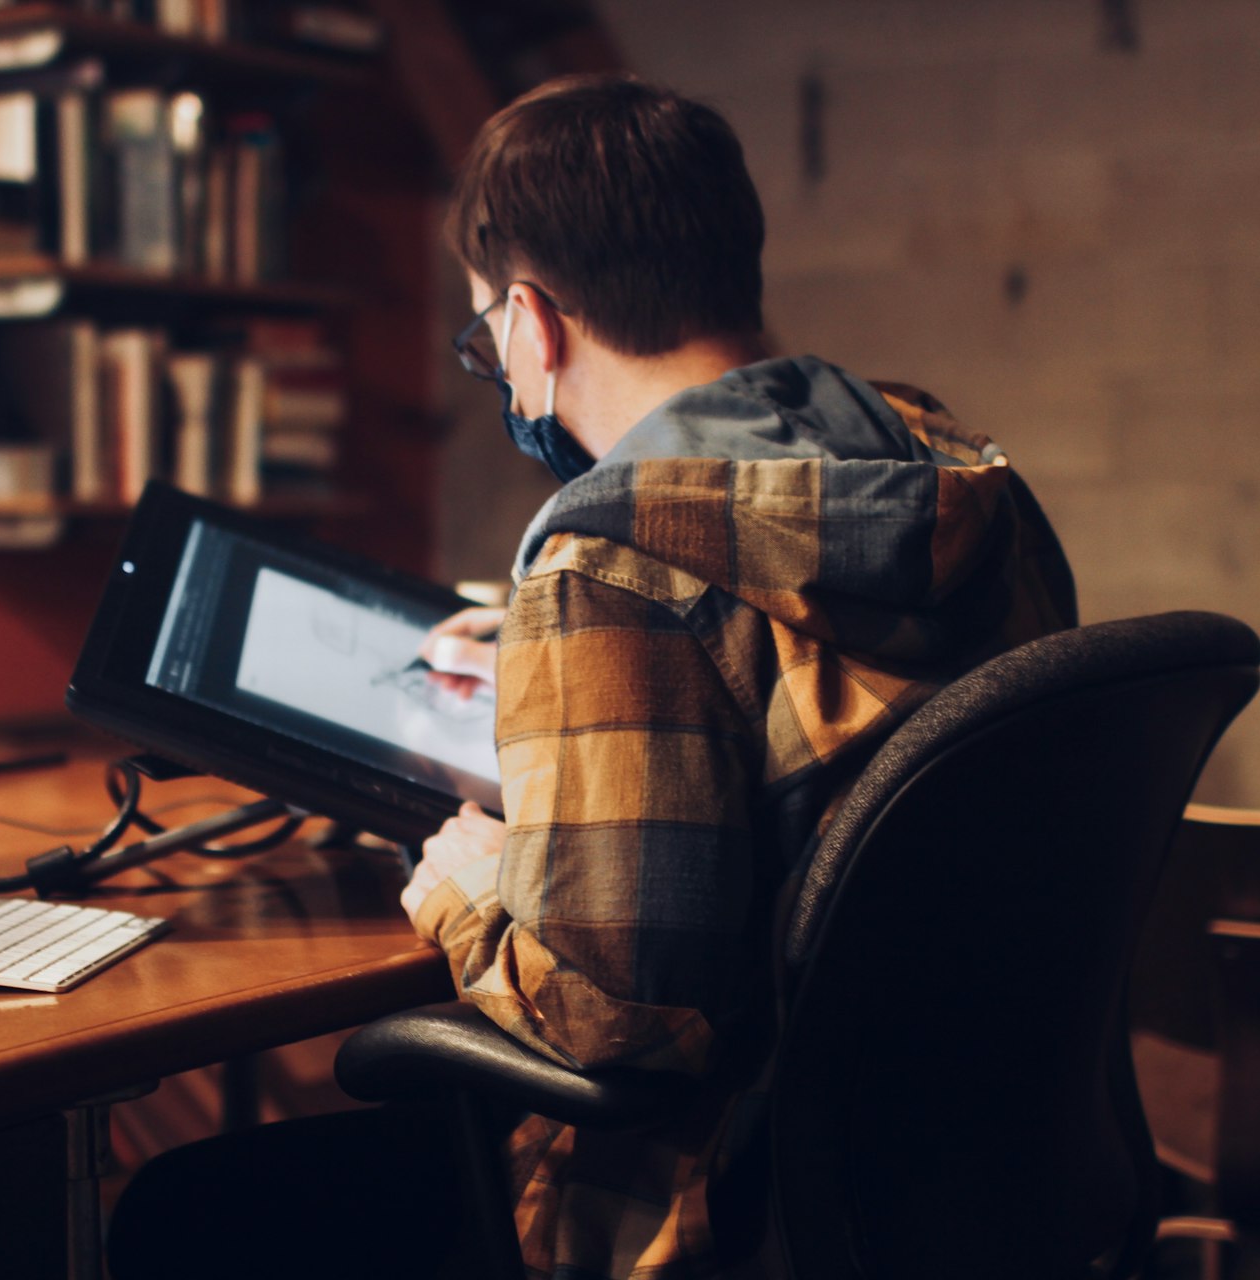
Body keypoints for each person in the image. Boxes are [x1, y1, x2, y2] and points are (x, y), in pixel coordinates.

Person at [107, 74, 1075, 1280]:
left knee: (178, 1214)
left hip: (725, 1202)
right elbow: (827, 723)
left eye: (483, 335)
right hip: (981, 1169)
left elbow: (616, 1020)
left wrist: (464, 879)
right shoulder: (946, 472)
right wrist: (551, 675)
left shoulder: (611, 555)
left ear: (530, 322)